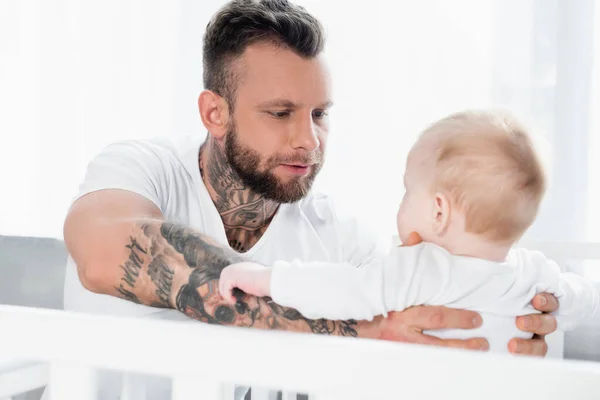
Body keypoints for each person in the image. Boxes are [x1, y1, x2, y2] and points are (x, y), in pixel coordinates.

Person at [61, 0, 560, 398]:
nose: (310, 140)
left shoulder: (341, 240)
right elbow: (108, 256)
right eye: (280, 113)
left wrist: (510, 320)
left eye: (320, 113)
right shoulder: (140, 169)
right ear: (215, 113)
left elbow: (425, 324)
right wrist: (356, 328)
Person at [219, 109, 599, 353]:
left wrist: (267, 278)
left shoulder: (421, 267)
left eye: (408, 189)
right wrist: (572, 297)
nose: (402, 201)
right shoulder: (533, 275)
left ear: (438, 211)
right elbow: (583, 298)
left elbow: (344, 288)